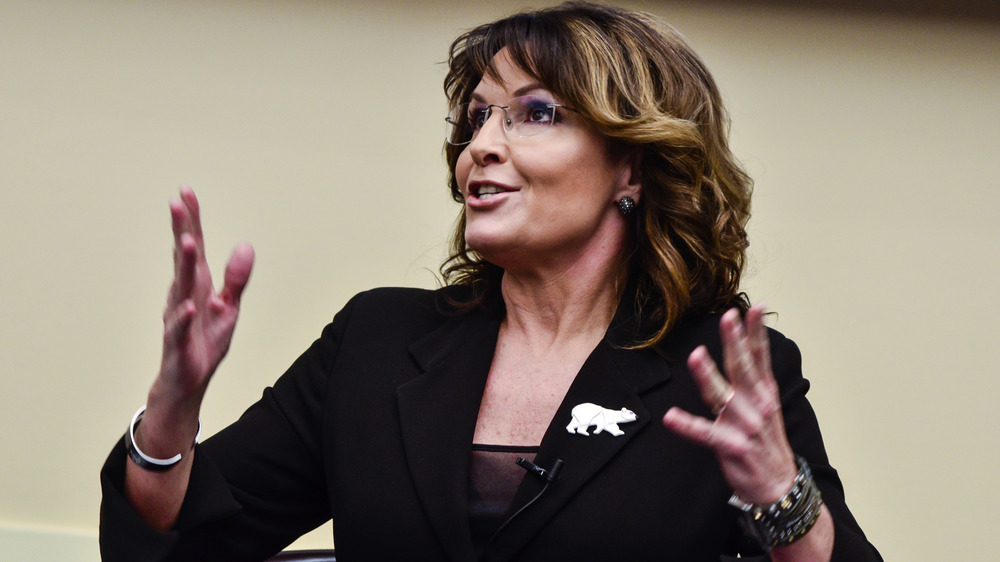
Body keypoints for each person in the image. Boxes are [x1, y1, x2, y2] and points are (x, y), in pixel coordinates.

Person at [100, 3, 882, 561]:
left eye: (534, 114)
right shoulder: (376, 341)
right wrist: (172, 412)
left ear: (633, 164)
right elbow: (184, 546)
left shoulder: (725, 373)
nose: (482, 146)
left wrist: (782, 494)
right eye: (476, 118)